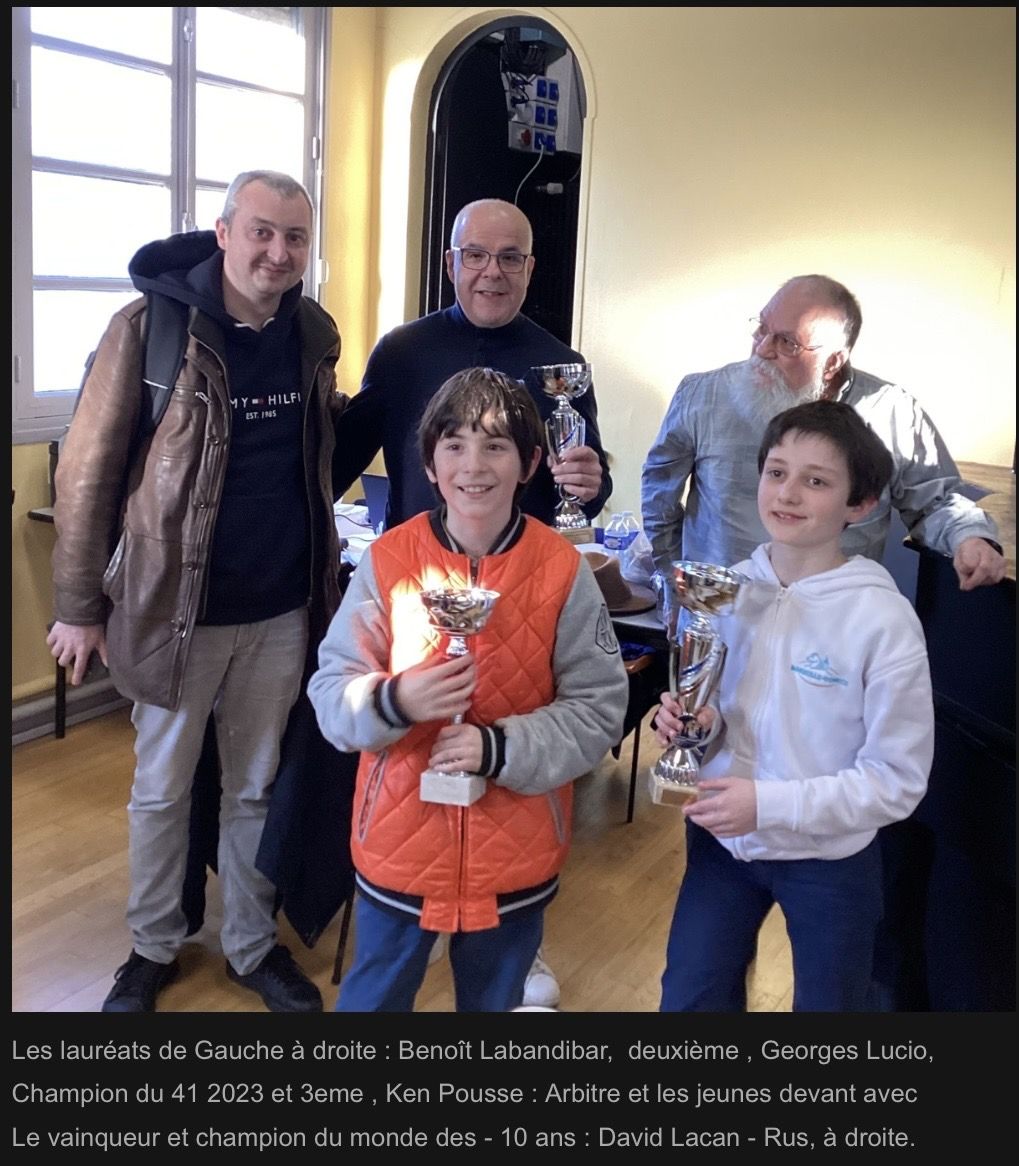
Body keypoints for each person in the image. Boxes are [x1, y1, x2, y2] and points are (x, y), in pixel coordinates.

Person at [47, 170, 349, 1013]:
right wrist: (77, 605)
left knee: (255, 788)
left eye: (294, 237)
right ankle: (151, 946)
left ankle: (251, 947)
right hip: (171, 612)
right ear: (223, 232)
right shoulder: (150, 328)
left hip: (280, 610)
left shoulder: (312, 332)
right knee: (162, 789)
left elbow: (313, 457)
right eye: (261, 231)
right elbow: (86, 474)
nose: (277, 252)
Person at [338, 196, 613, 1005]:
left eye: (510, 257)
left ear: (531, 266)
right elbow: (337, 456)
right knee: (390, 946)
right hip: (417, 589)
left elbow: (579, 486)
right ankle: (426, 914)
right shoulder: (402, 350)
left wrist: (591, 485)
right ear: (451, 261)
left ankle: (504, 945)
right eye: (476, 255)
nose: (492, 271)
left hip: (525, 596)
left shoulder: (563, 365)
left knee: (498, 918)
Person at [307, 368, 628, 1011]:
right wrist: (395, 701)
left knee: (492, 1002)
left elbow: (599, 710)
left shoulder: (562, 570)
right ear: (429, 464)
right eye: (454, 444)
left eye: (495, 445)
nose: (473, 465)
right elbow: (331, 692)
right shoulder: (388, 561)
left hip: (515, 850)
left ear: (530, 462)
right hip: (399, 843)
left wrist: (498, 749)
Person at [654, 401, 934, 1011]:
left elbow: (898, 780)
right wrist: (691, 727)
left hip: (829, 860)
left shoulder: (882, 620)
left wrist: (769, 804)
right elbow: (718, 711)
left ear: (859, 505)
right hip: (723, 845)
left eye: (816, 481)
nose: (788, 493)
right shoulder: (726, 589)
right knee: (690, 999)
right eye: (777, 472)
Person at [641, 274, 1006, 590]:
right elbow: (660, 497)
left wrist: (969, 537)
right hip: (720, 615)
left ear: (832, 362)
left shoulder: (890, 411)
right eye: (762, 328)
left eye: (787, 342)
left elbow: (935, 501)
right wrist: (673, 581)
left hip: (837, 622)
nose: (763, 349)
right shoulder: (703, 395)